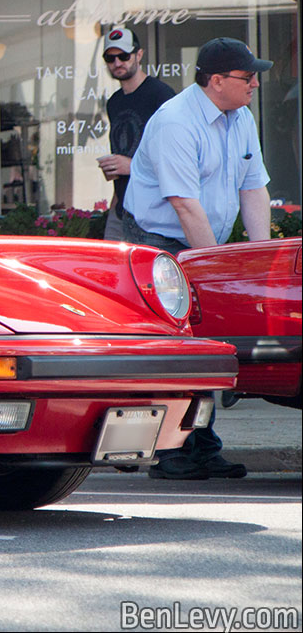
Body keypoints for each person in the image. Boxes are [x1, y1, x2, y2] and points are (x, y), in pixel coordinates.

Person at [124, 37, 273, 480]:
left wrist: (258, 259)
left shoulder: (240, 115)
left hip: (203, 241)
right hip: (159, 242)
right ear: (215, 81)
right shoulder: (175, 122)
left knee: (202, 345)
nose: (254, 86)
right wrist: (217, 269)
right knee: (178, 348)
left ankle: (202, 449)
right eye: (247, 78)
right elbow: (184, 205)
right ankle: (171, 453)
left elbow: (254, 189)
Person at [96, 27, 175, 241]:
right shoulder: (114, 102)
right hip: (122, 209)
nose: (117, 63)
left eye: (123, 56)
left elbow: (177, 159)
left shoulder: (161, 96)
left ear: (139, 55)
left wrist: (130, 166)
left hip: (155, 213)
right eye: (110, 58)